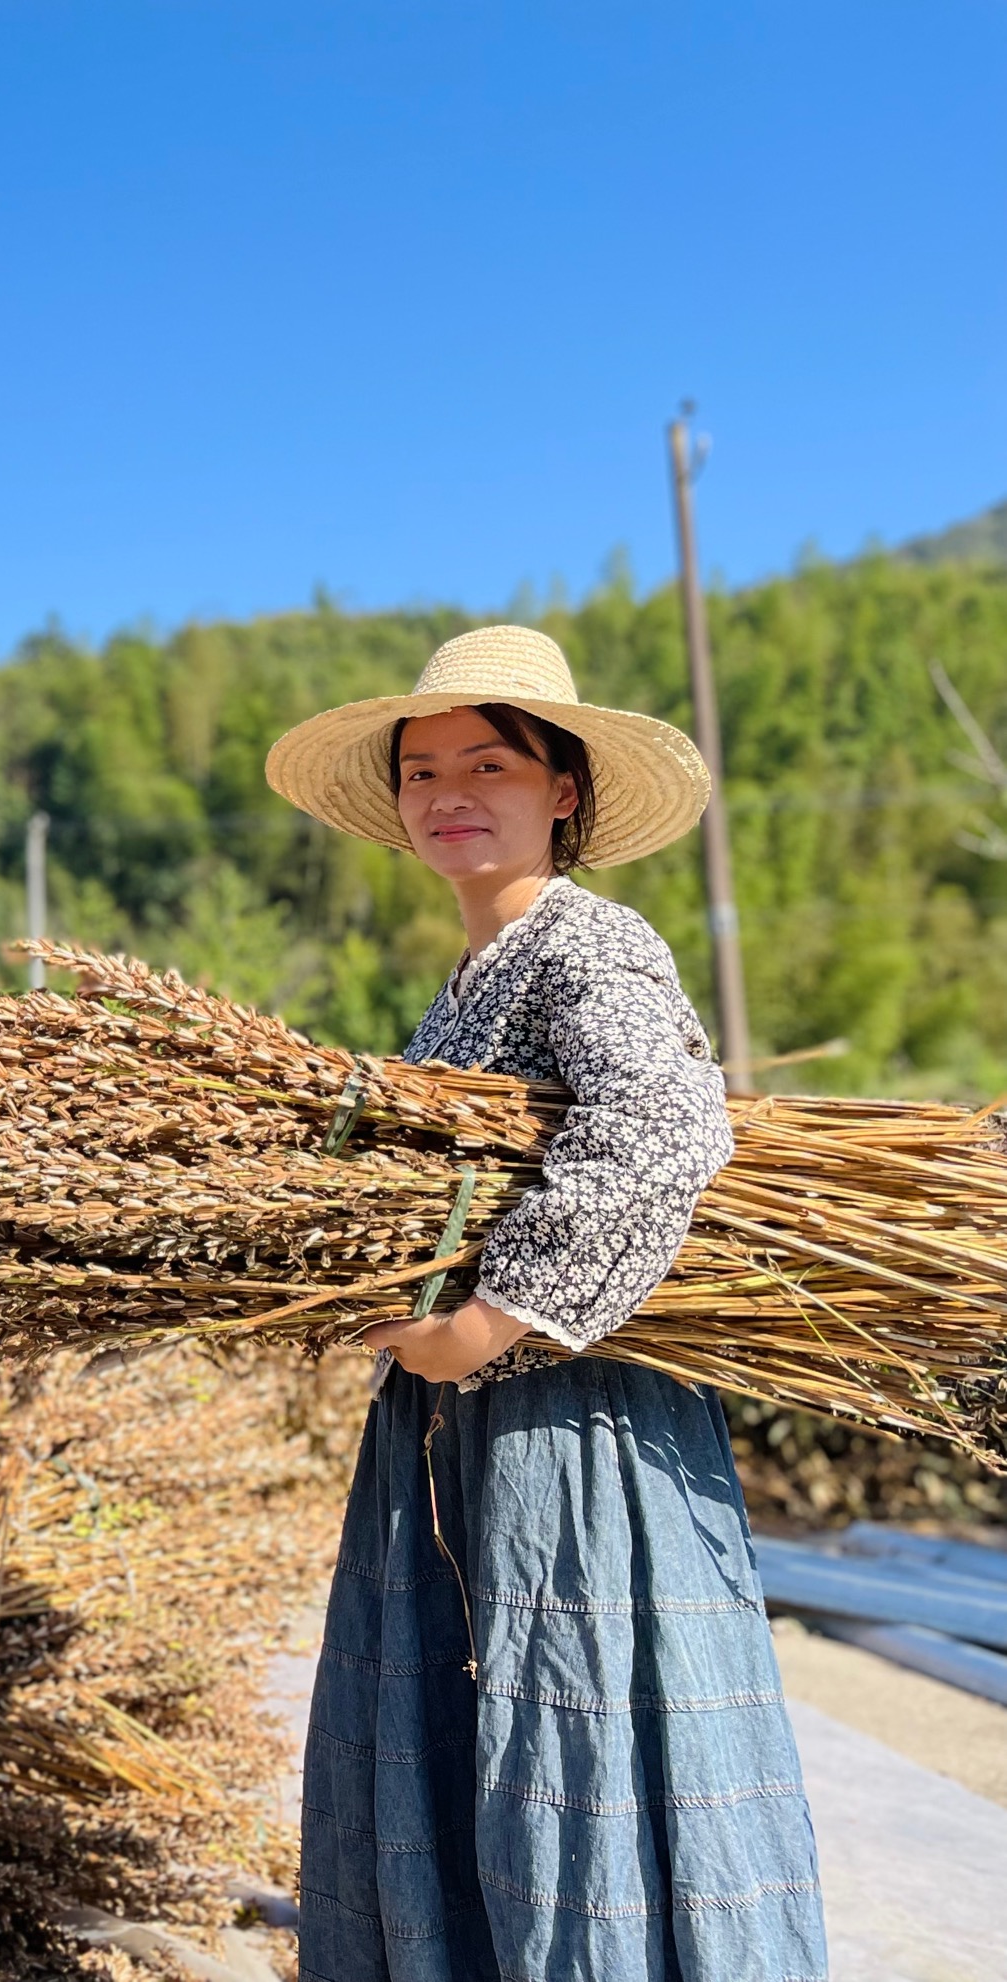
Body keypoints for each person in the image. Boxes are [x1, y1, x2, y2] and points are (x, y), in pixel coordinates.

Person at [263, 626, 825, 1981]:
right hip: (462, 1433)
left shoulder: (589, 944)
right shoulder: (468, 981)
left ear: (563, 792)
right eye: (422, 771)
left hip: (575, 1431)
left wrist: (487, 1320)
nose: (447, 792)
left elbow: (661, 1128)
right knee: (477, 1750)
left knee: (574, 1739)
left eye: (489, 765)